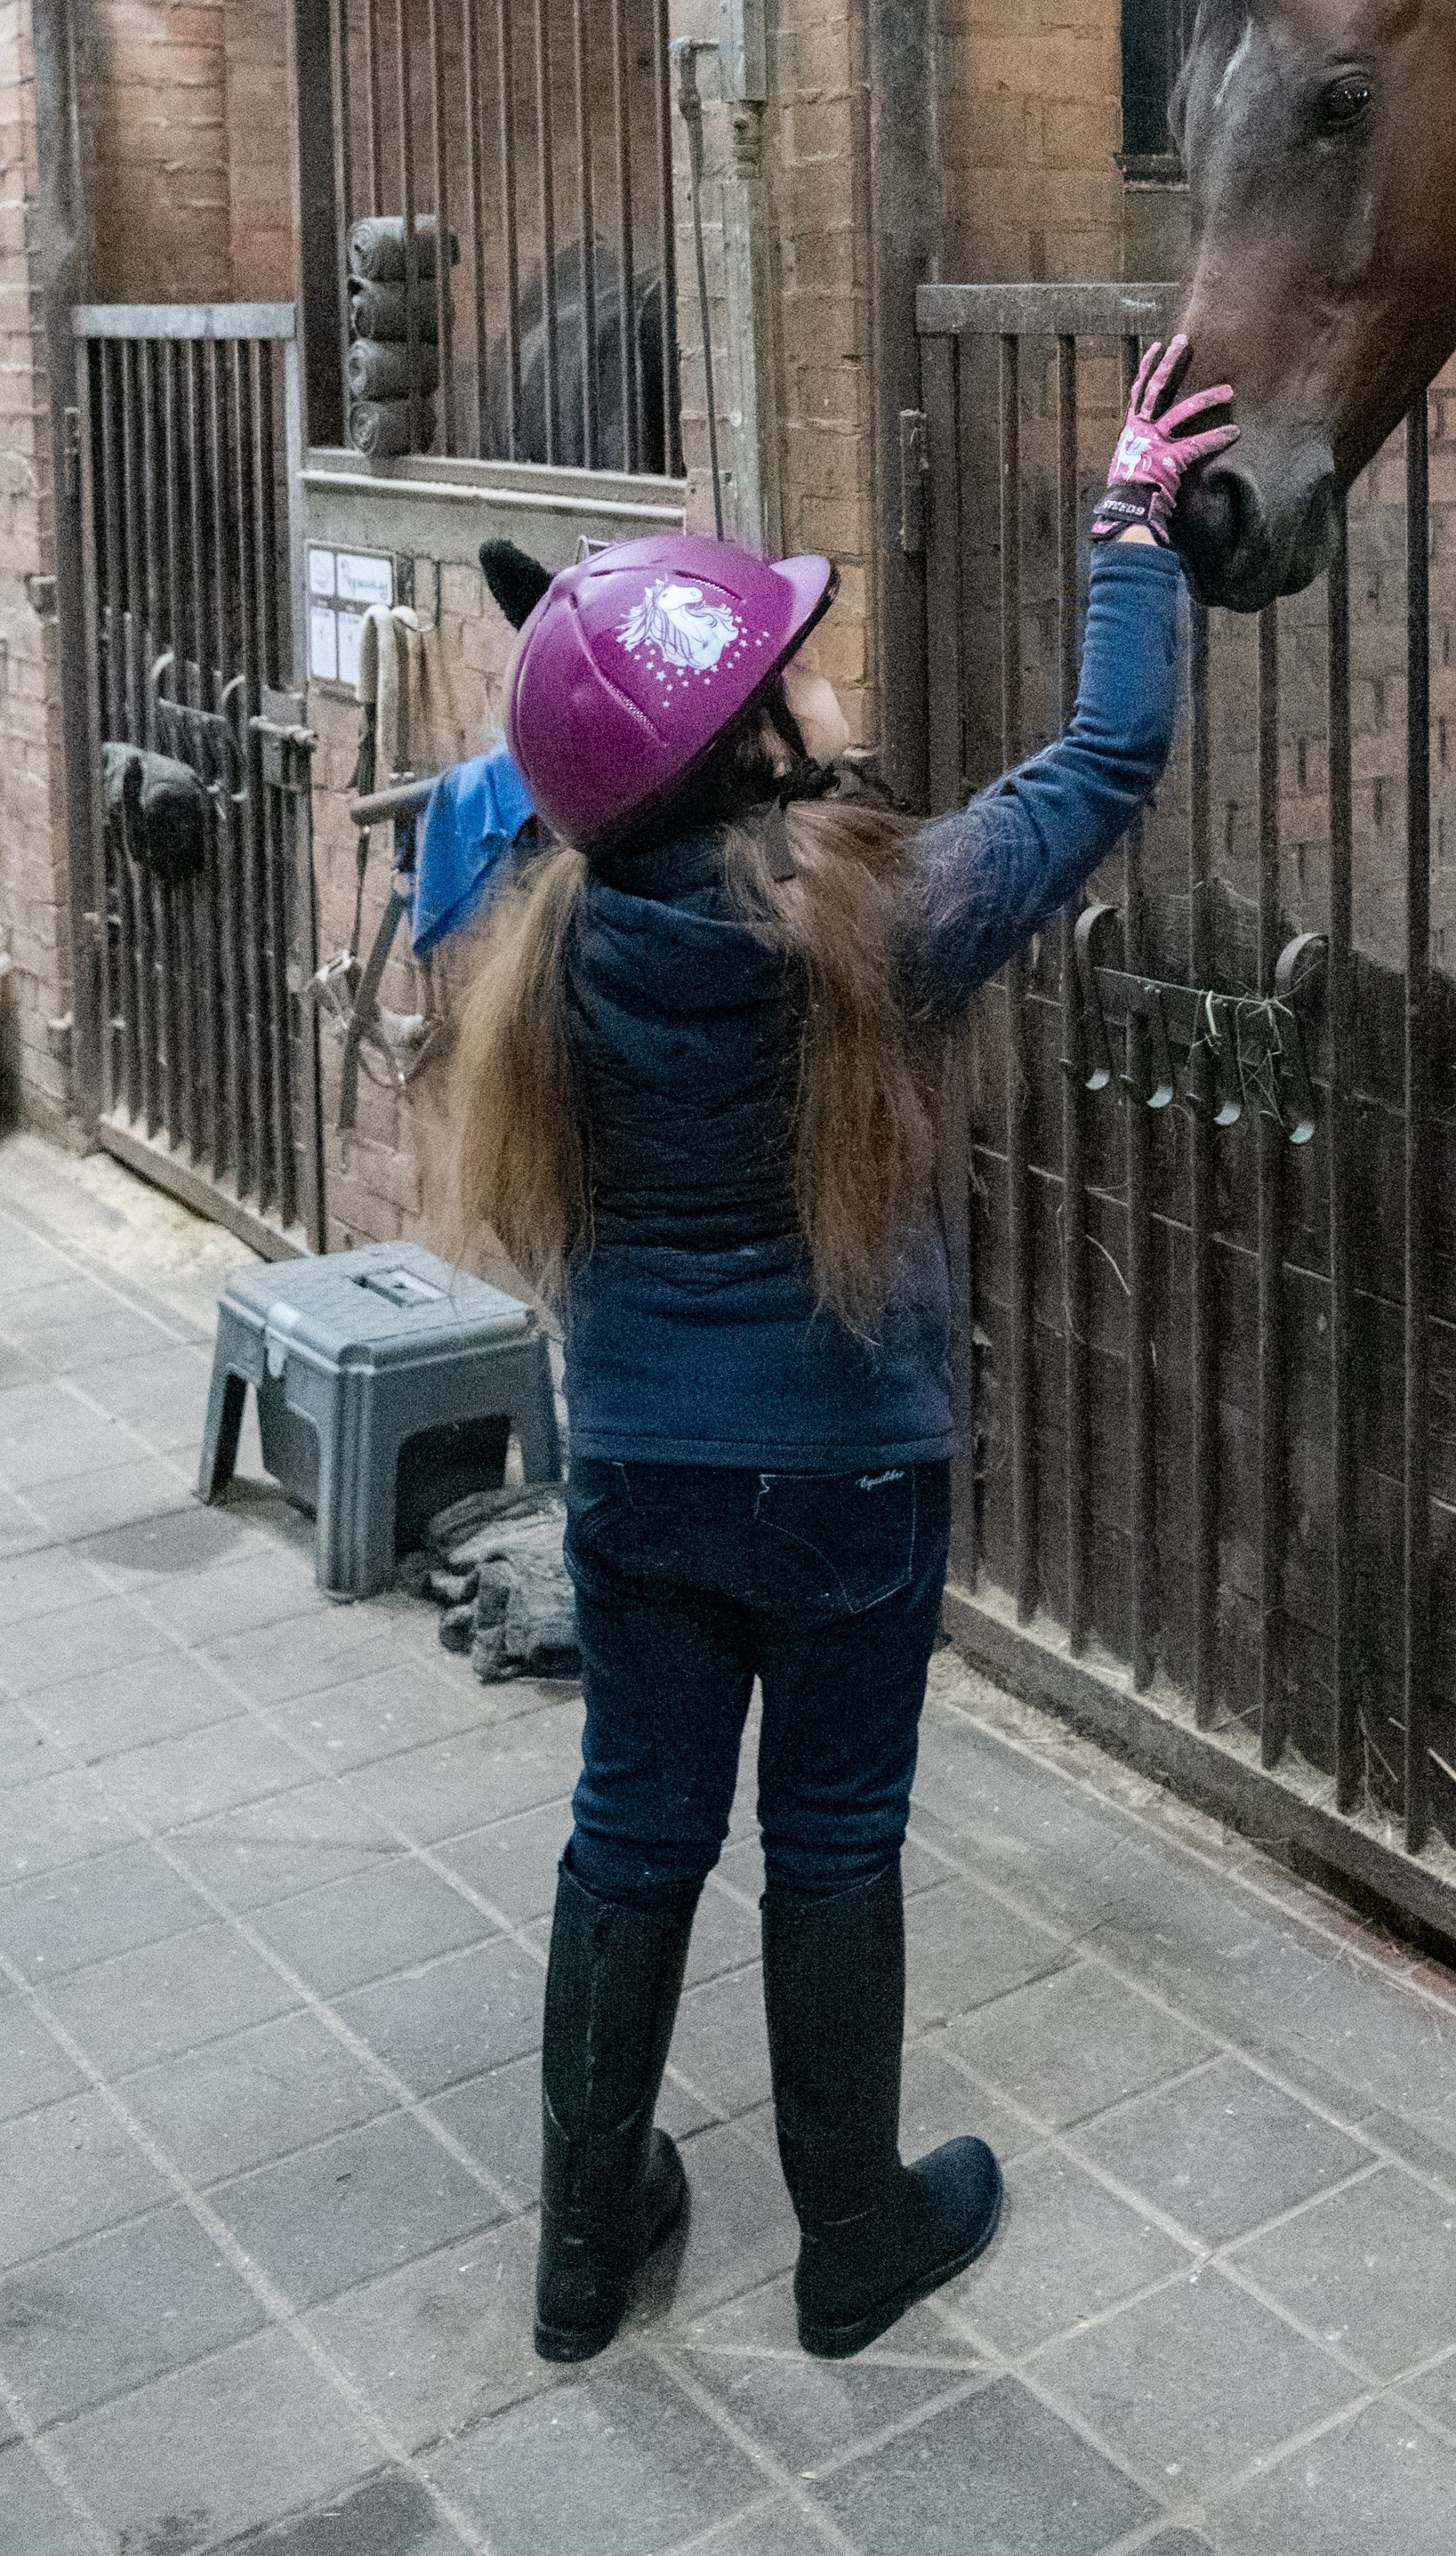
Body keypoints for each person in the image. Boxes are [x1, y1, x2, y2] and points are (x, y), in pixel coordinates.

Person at [450, 340, 1236, 2369]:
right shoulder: (877, 931)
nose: (824, 672)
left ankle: (577, 2252)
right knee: (831, 1832)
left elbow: (542, 795)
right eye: (792, 667)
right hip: (850, 1478)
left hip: (635, 1462)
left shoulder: (557, 928)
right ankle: (851, 2238)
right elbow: (1102, 762)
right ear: (750, 749)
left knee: (632, 1823)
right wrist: (1129, 521)